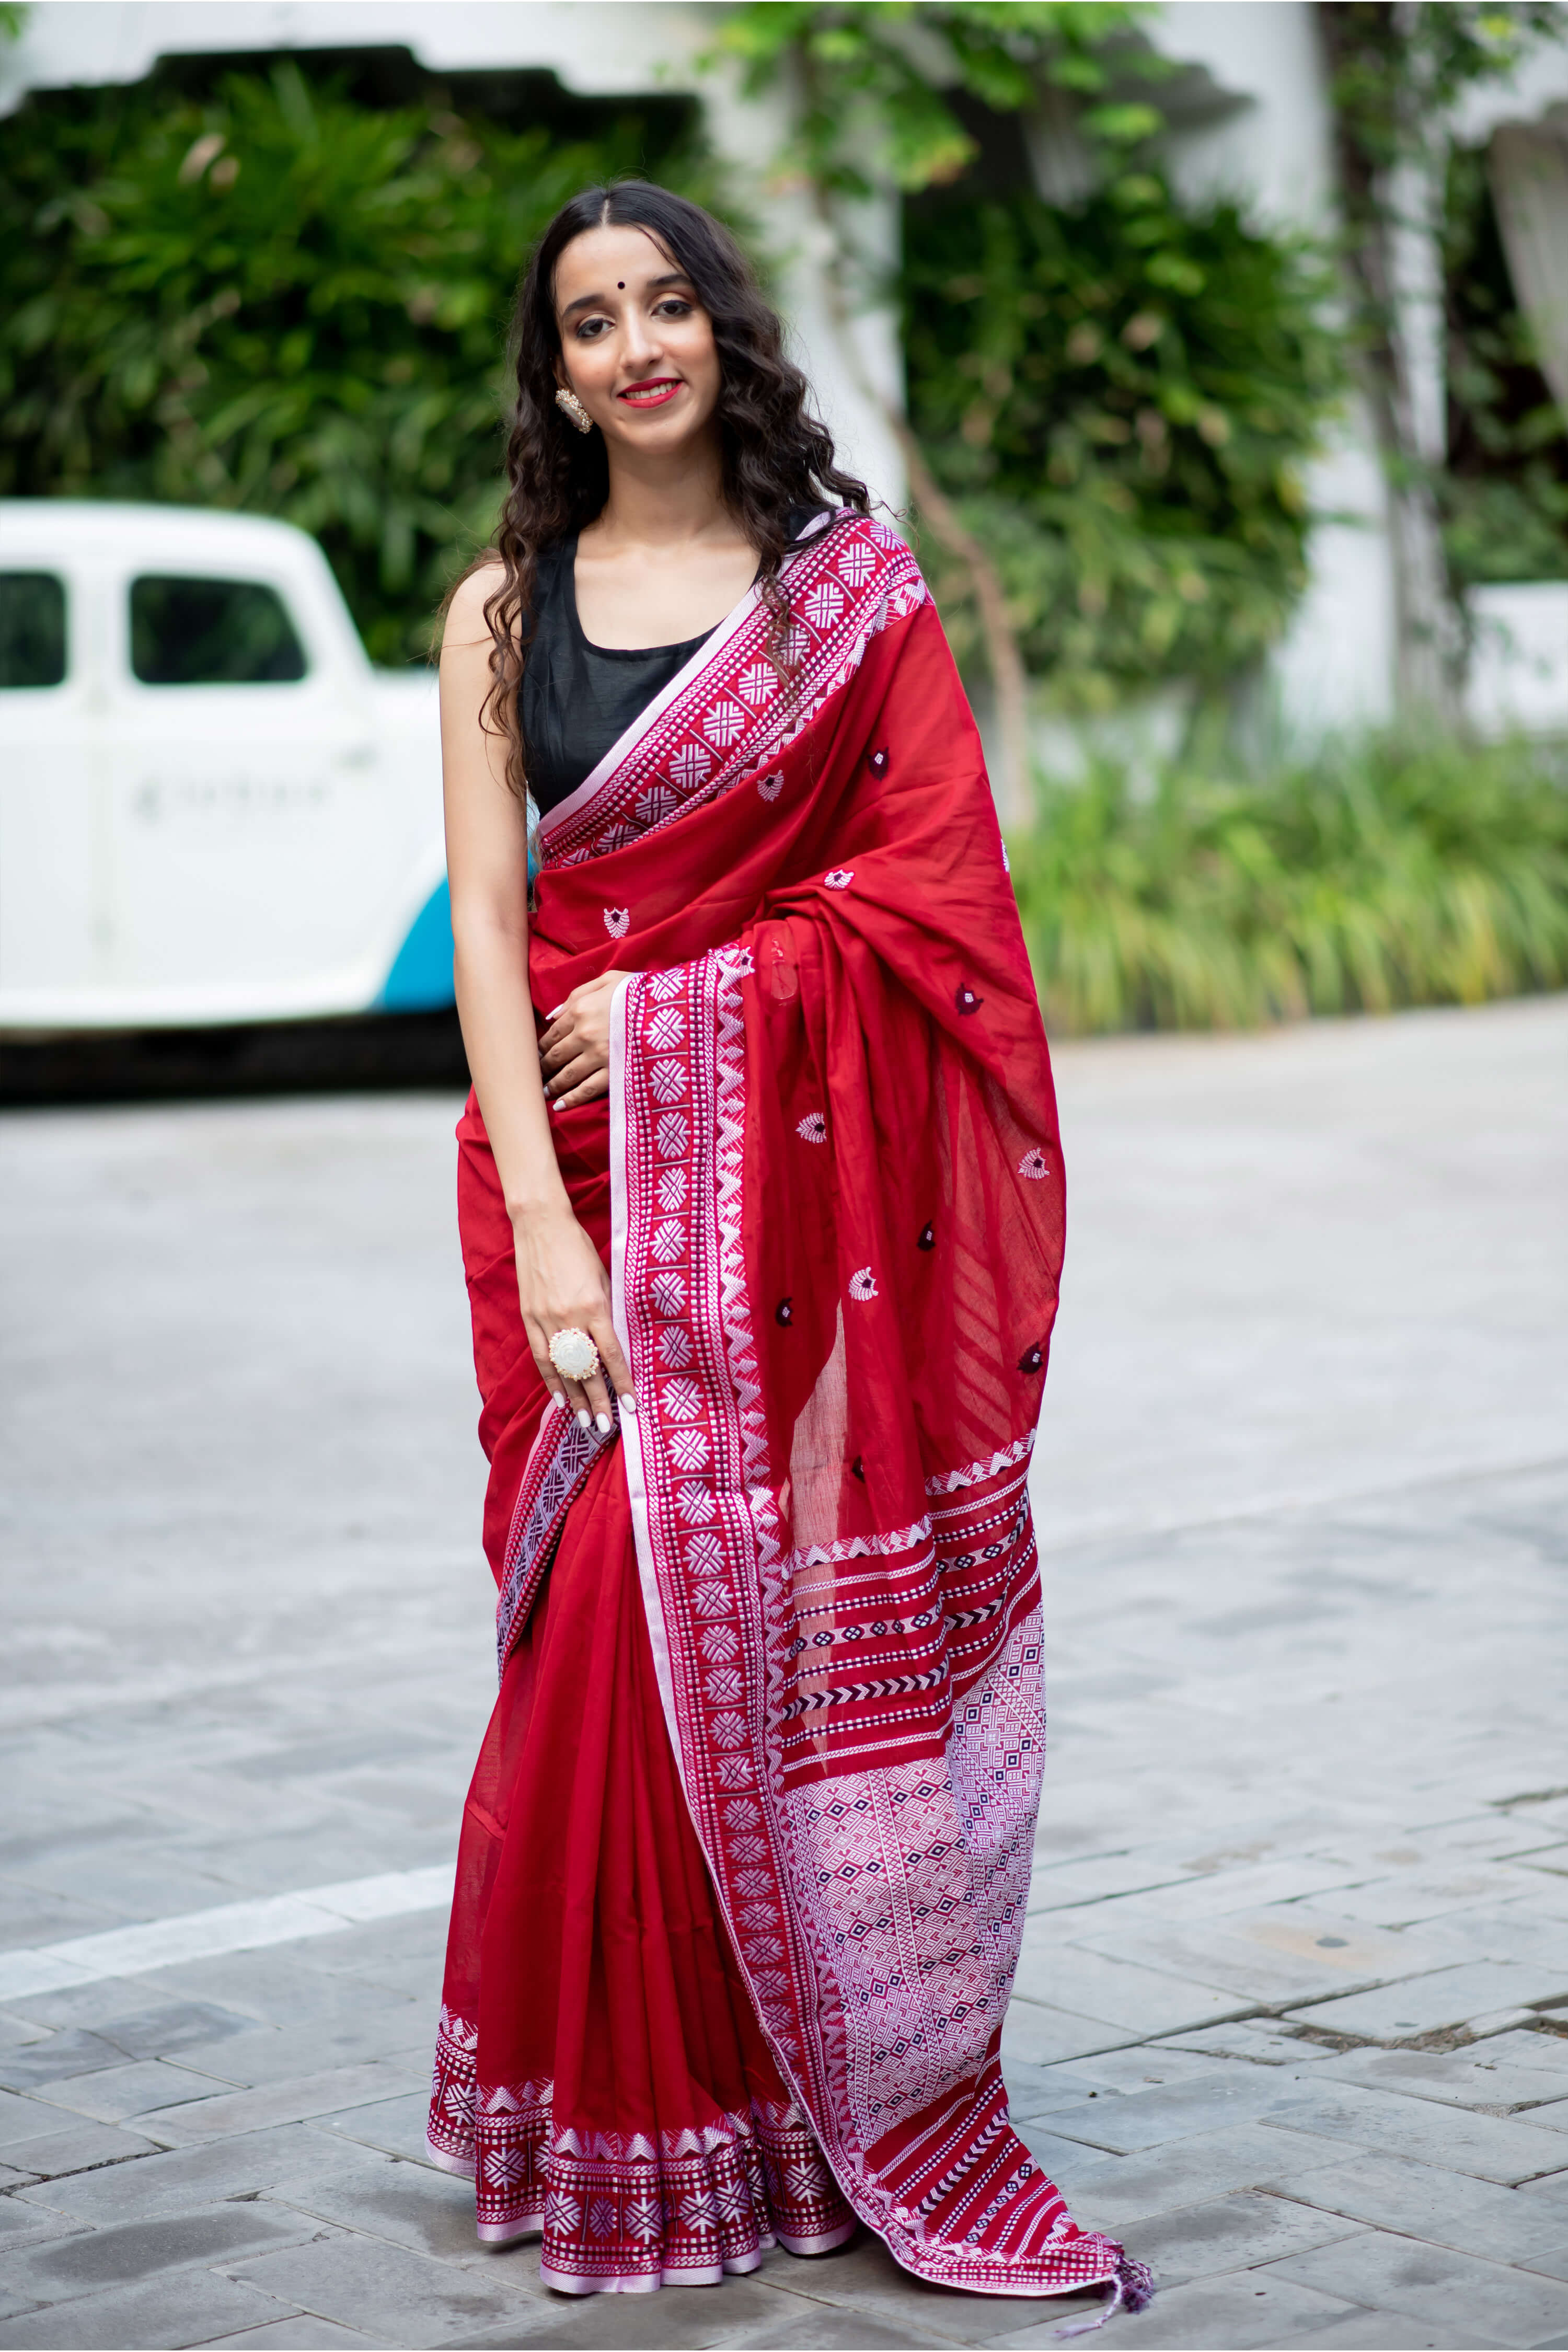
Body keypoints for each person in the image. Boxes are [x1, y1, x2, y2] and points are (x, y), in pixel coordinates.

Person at [425, 179, 1152, 2323]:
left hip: (782, 1181)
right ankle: (626, 2119)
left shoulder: (852, 601)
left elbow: (937, 904)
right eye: (591, 320)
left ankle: (813, 2103)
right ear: (551, 369)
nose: (635, 345)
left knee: (756, 1638)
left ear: (723, 332)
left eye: (667, 304)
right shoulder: (498, 611)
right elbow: (482, 918)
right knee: (602, 1651)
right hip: (566, 1174)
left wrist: (690, 1008)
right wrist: (553, 1225)